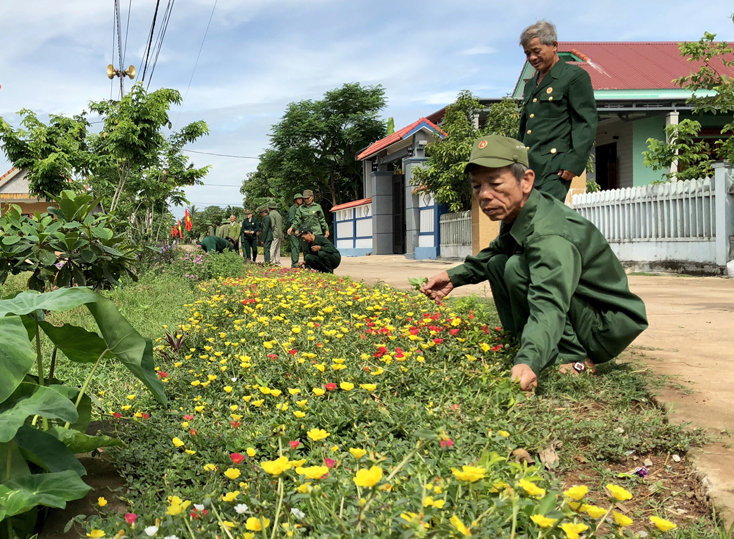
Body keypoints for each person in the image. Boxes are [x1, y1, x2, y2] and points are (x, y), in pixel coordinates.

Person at [420, 135, 648, 391]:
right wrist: (454, 276)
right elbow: (497, 250)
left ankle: (571, 358)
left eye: (495, 183)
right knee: (498, 263)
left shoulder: (549, 235)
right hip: (580, 310)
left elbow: (548, 301)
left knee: (516, 268)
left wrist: (529, 361)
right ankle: (523, 341)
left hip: (605, 323)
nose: (484, 195)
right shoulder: (520, 213)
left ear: (526, 181)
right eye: (476, 187)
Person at [518, 20, 597, 201]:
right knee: (515, 221)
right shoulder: (530, 85)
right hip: (529, 168)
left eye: (536, 51)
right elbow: (524, 128)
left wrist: (574, 162)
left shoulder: (574, 77)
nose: (532, 58)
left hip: (554, 168)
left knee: (542, 218)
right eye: (527, 53)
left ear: (554, 46)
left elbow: (585, 121)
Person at [287, 193, 304, 268]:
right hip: (294, 231)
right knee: (295, 247)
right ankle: (294, 264)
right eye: (298, 199)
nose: (300, 200)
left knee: (302, 247)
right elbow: (292, 220)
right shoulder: (292, 209)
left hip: (302, 230)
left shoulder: (302, 208)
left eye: (301, 198)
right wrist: (296, 229)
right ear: (295, 200)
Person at [268, 201, 283, 266]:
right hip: (280, 233)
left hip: (274, 233)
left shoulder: (271, 214)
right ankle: (277, 262)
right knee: (277, 248)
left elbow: (272, 224)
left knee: (272, 247)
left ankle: (270, 261)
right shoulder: (278, 214)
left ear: (269, 208)